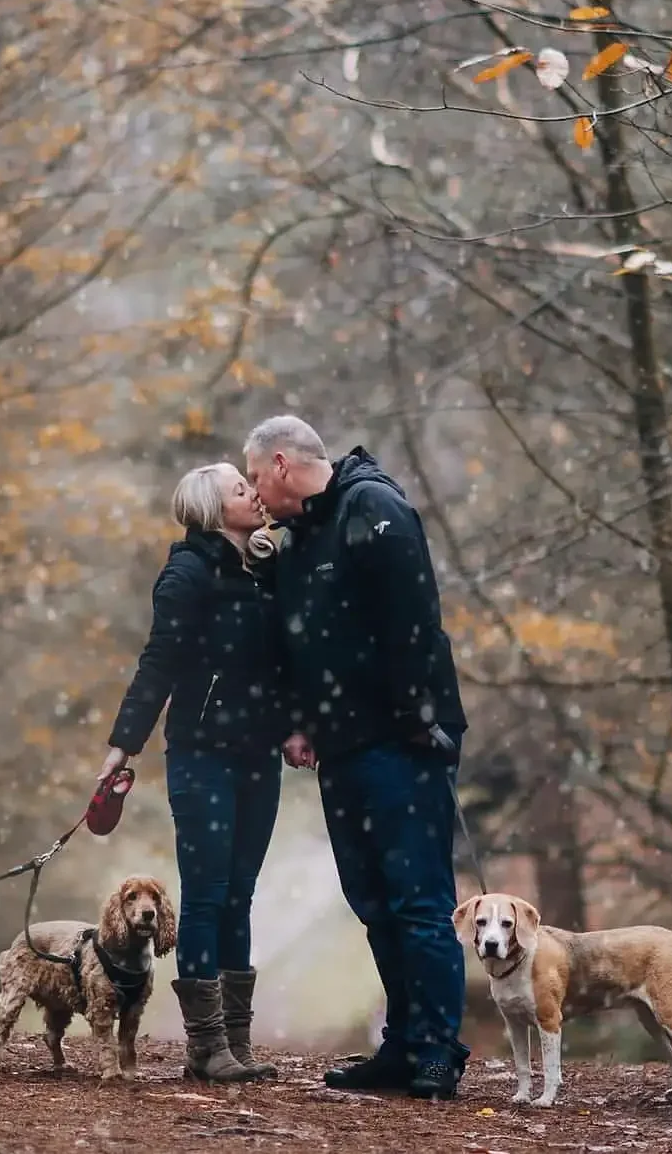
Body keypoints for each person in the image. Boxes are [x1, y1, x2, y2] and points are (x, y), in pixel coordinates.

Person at [243, 415, 471, 1100]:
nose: (255, 494)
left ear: (282, 464)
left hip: (403, 744)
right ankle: (401, 1047)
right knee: (372, 901)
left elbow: (413, 620)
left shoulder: (373, 507)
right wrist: (297, 722)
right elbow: (294, 646)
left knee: (418, 901)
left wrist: (417, 721)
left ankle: (436, 1052)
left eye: (256, 478)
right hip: (342, 748)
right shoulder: (299, 539)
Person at [98, 462, 286, 1083]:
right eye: (241, 489)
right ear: (212, 509)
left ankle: (235, 1042)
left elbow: (285, 661)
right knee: (206, 895)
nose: (254, 494)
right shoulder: (186, 574)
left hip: (258, 754)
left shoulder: (264, 571)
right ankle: (205, 1048)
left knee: (241, 894)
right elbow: (159, 662)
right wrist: (124, 745)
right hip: (202, 752)